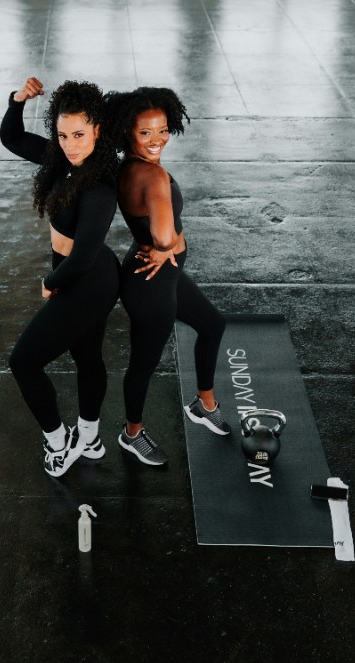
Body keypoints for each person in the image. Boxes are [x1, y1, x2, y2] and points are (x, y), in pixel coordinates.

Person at [0, 76, 121, 477]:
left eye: (80, 134)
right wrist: (18, 100)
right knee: (87, 357)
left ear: (97, 130)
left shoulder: (100, 185)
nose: (70, 143)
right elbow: (12, 138)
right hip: (76, 271)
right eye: (63, 134)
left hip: (87, 280)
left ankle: (60, 441)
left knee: (24, 362)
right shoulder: (61, 158)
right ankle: (90, 437)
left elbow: (83, 257)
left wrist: (51, 284)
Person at [104, 87, 229, 466]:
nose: (157, 140)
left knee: (212, 324)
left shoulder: (126, 166)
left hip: (161, 274)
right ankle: (132, 434)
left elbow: (163, 235)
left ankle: (204, 404)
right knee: (144, 361)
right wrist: (172, 242)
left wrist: (169, 245)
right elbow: (163, 236)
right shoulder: (152, 176)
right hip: (150, 284)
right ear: (128, 132)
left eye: (162, 131)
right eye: (146, 133)